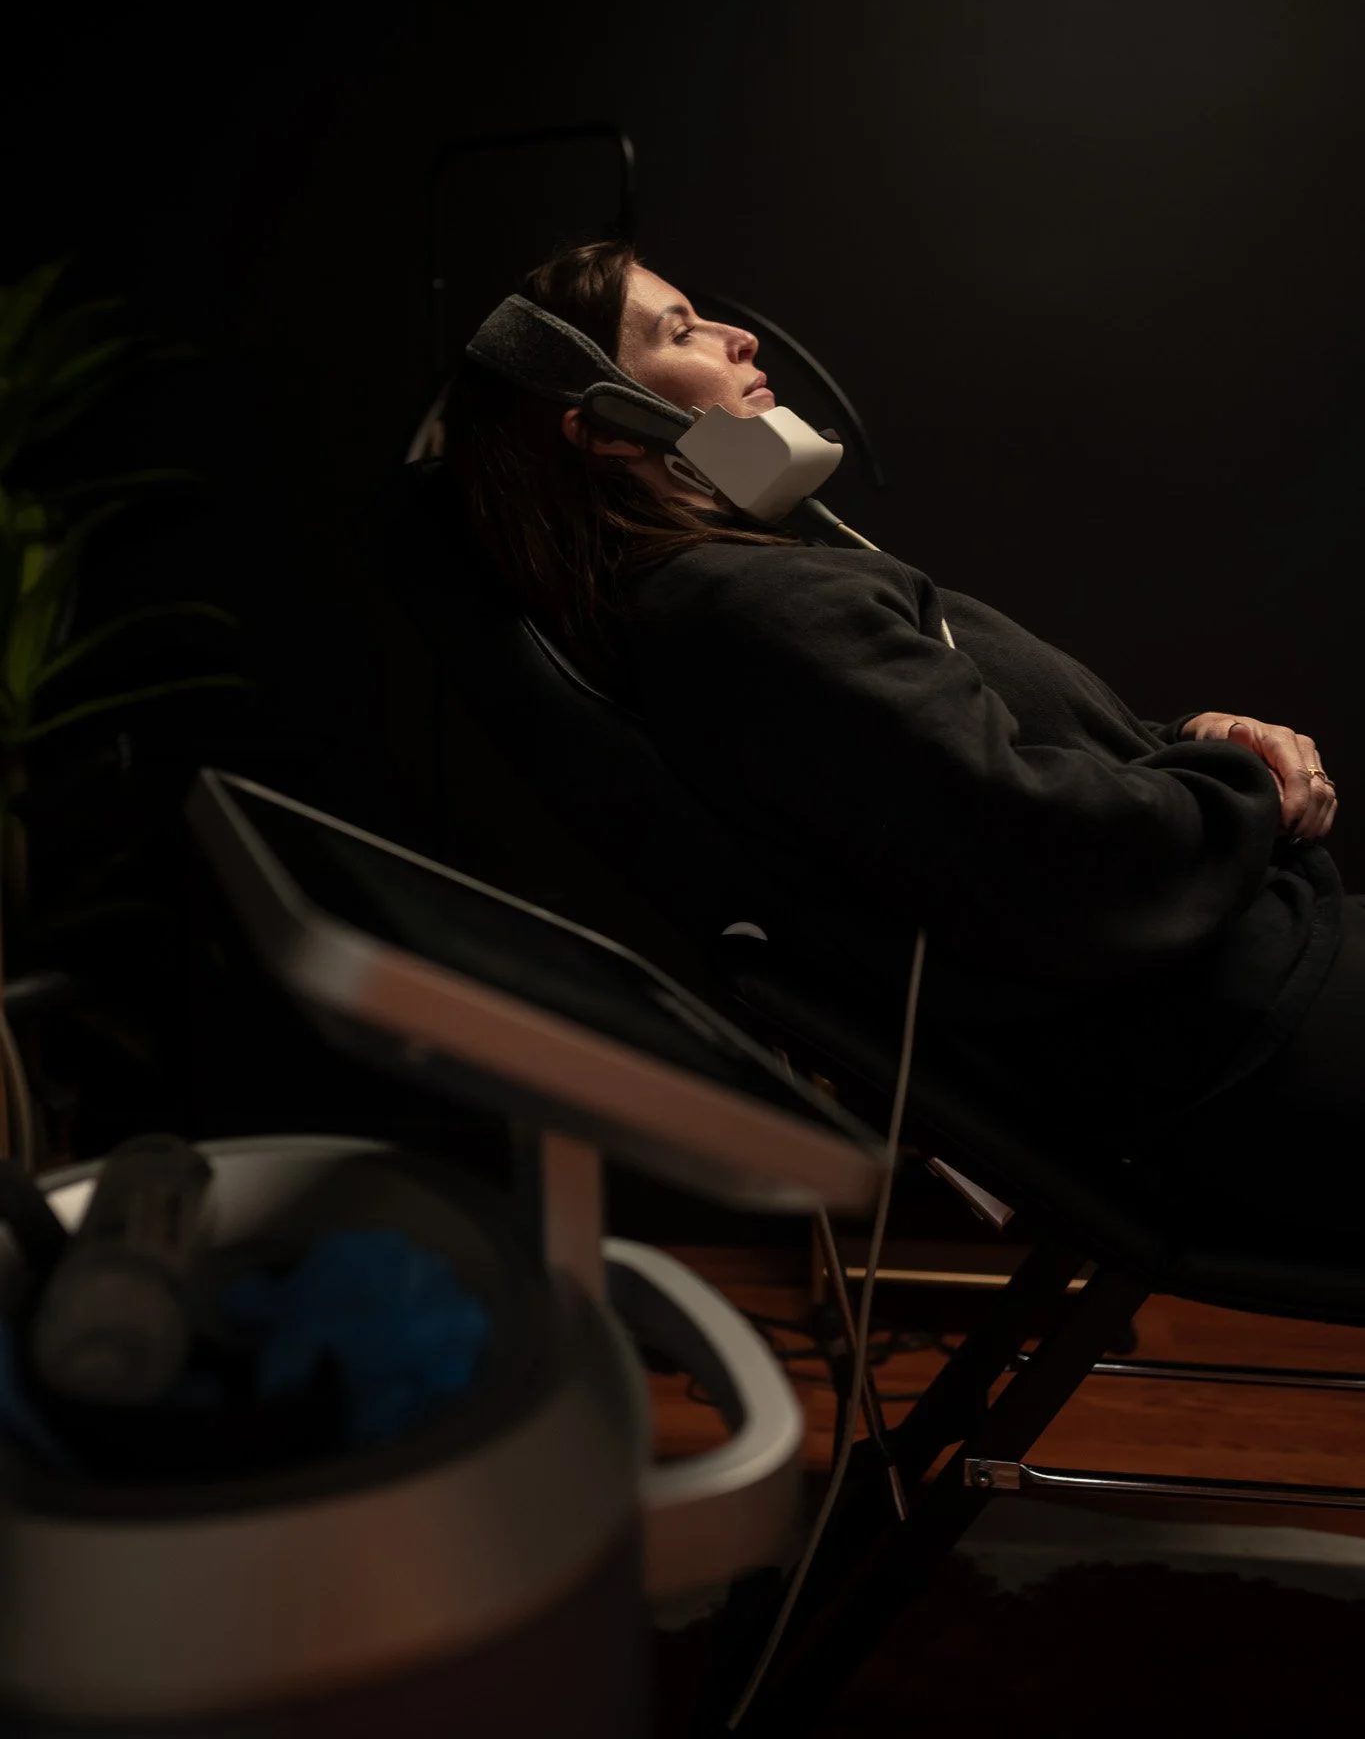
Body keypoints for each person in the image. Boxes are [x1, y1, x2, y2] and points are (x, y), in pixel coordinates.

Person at [442, 239, 1365, 1244]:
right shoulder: (752, 609)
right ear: (613, 431)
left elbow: (1021, 763)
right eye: (679, 328)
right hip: (1237, 1036)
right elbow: (1041, 844)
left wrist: (1200, 737)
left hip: (1253, 988)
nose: (738, 332)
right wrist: (1245, 789)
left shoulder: (762, 587)